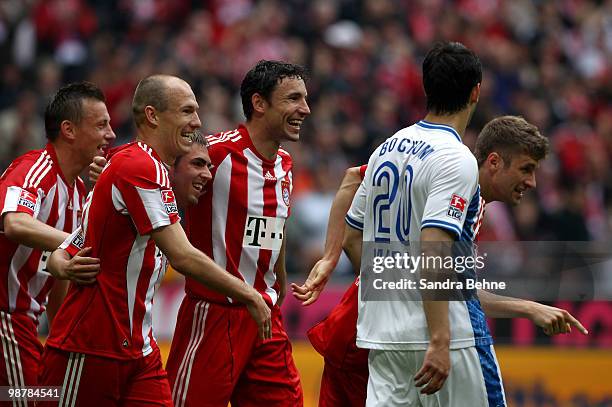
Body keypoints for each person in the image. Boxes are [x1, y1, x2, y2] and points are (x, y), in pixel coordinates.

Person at [292, 115, 588, 406]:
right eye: (526, 169)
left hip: (378, 331)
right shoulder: (454, 174)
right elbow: (449, 286)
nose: (533, 182)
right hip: (365, 335)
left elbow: (351, 180)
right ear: (494, 162)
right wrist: (333, 259)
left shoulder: (445, 178)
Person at [38, 75, 271, 406]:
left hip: (139, 350)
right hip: (91, 348)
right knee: (20, 396)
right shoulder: (137, 166)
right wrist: (249, 294)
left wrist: (59, 259)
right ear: (152, 115)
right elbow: (182, 256)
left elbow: (77, 242)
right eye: (187, 110)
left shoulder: (142, 167)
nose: (197, 121)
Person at [166, 60, 310, 407]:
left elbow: (275, 222)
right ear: (259, 103)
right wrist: (103, 168)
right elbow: (154, 171)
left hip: (265, 318)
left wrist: (280, 276)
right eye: (293, 99)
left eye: (304, 99)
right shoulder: (215, 154)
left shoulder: (285, 164)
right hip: (215, 314)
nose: (304, 109)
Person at [0, 82, 114, 391]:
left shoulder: (78, 192)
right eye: (102, 124)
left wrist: (62, 339)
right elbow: (15, 224)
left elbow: (59, 273)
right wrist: (75, 242)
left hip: (25, 324)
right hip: (6, 318)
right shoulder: (34, 169)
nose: (111, 134)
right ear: (69, 130)